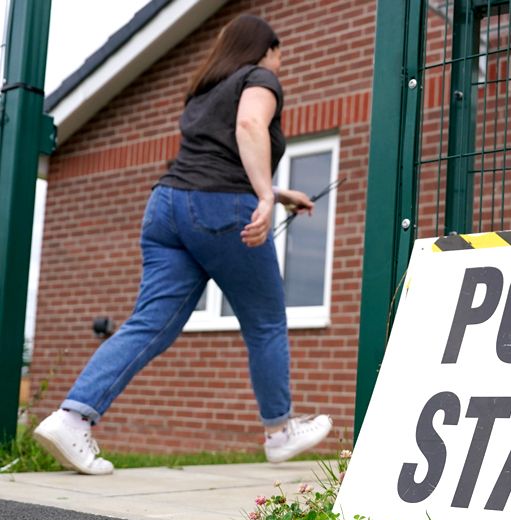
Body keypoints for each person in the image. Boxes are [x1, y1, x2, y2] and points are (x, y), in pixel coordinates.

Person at [33, 14, 331, 475]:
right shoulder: (260, 78)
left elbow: (214, 152)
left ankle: (71, 418)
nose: (280, 64)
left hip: (166, 207)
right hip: (220, 208)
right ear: (264, 50)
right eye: (279, 53)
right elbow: (250, 127)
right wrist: (266, 194)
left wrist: (280, 193)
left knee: (149, 322)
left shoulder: (204, 89)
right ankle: (278, 431)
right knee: (267, 320)